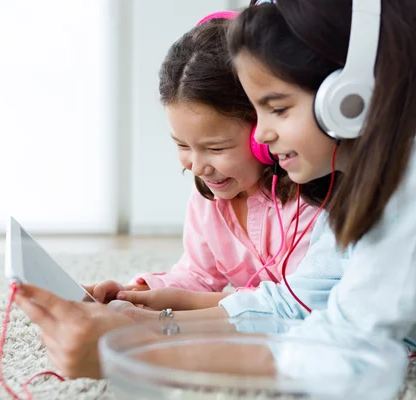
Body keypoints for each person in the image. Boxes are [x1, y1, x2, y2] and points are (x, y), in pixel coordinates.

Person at [16, 0, 416, 380]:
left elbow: (350, 355)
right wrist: (141, 323)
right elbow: (296, 305)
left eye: (277, 108)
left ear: (351, 99)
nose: (263, 134)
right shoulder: (368, 172)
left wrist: (125, 355)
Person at [84, 14, 320, 306]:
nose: (196, 166)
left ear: (263, 127)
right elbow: (198, 276)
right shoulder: (209, 199)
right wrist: (133, 294)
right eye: (182, 145)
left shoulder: (308, 198)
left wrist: (183, 308)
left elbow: (297, 302)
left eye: (216, 148)